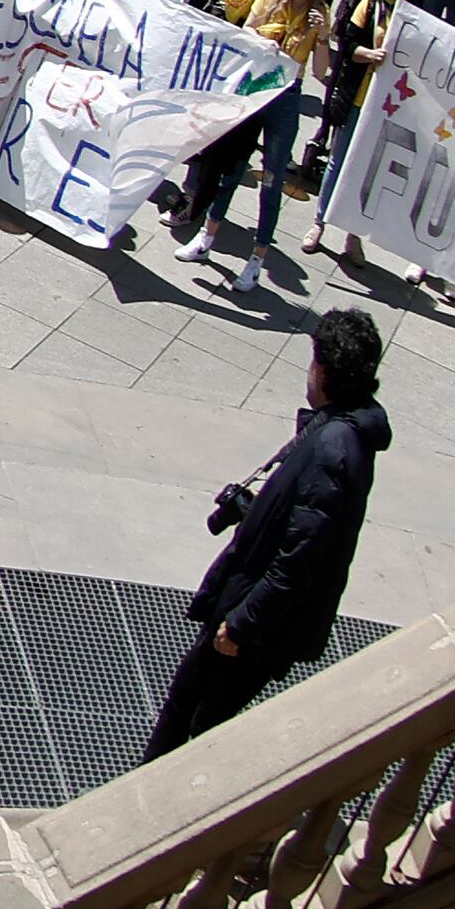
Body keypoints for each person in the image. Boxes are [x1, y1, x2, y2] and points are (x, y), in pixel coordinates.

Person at [144, 310, 391, 758]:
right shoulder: (341, 432)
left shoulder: (333, 450)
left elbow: (301, 559)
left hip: (255, 627)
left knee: (192, 716)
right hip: (256, 614)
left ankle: (144, 806)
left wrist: (240, 625)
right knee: (191, 709)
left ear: (324, 370)